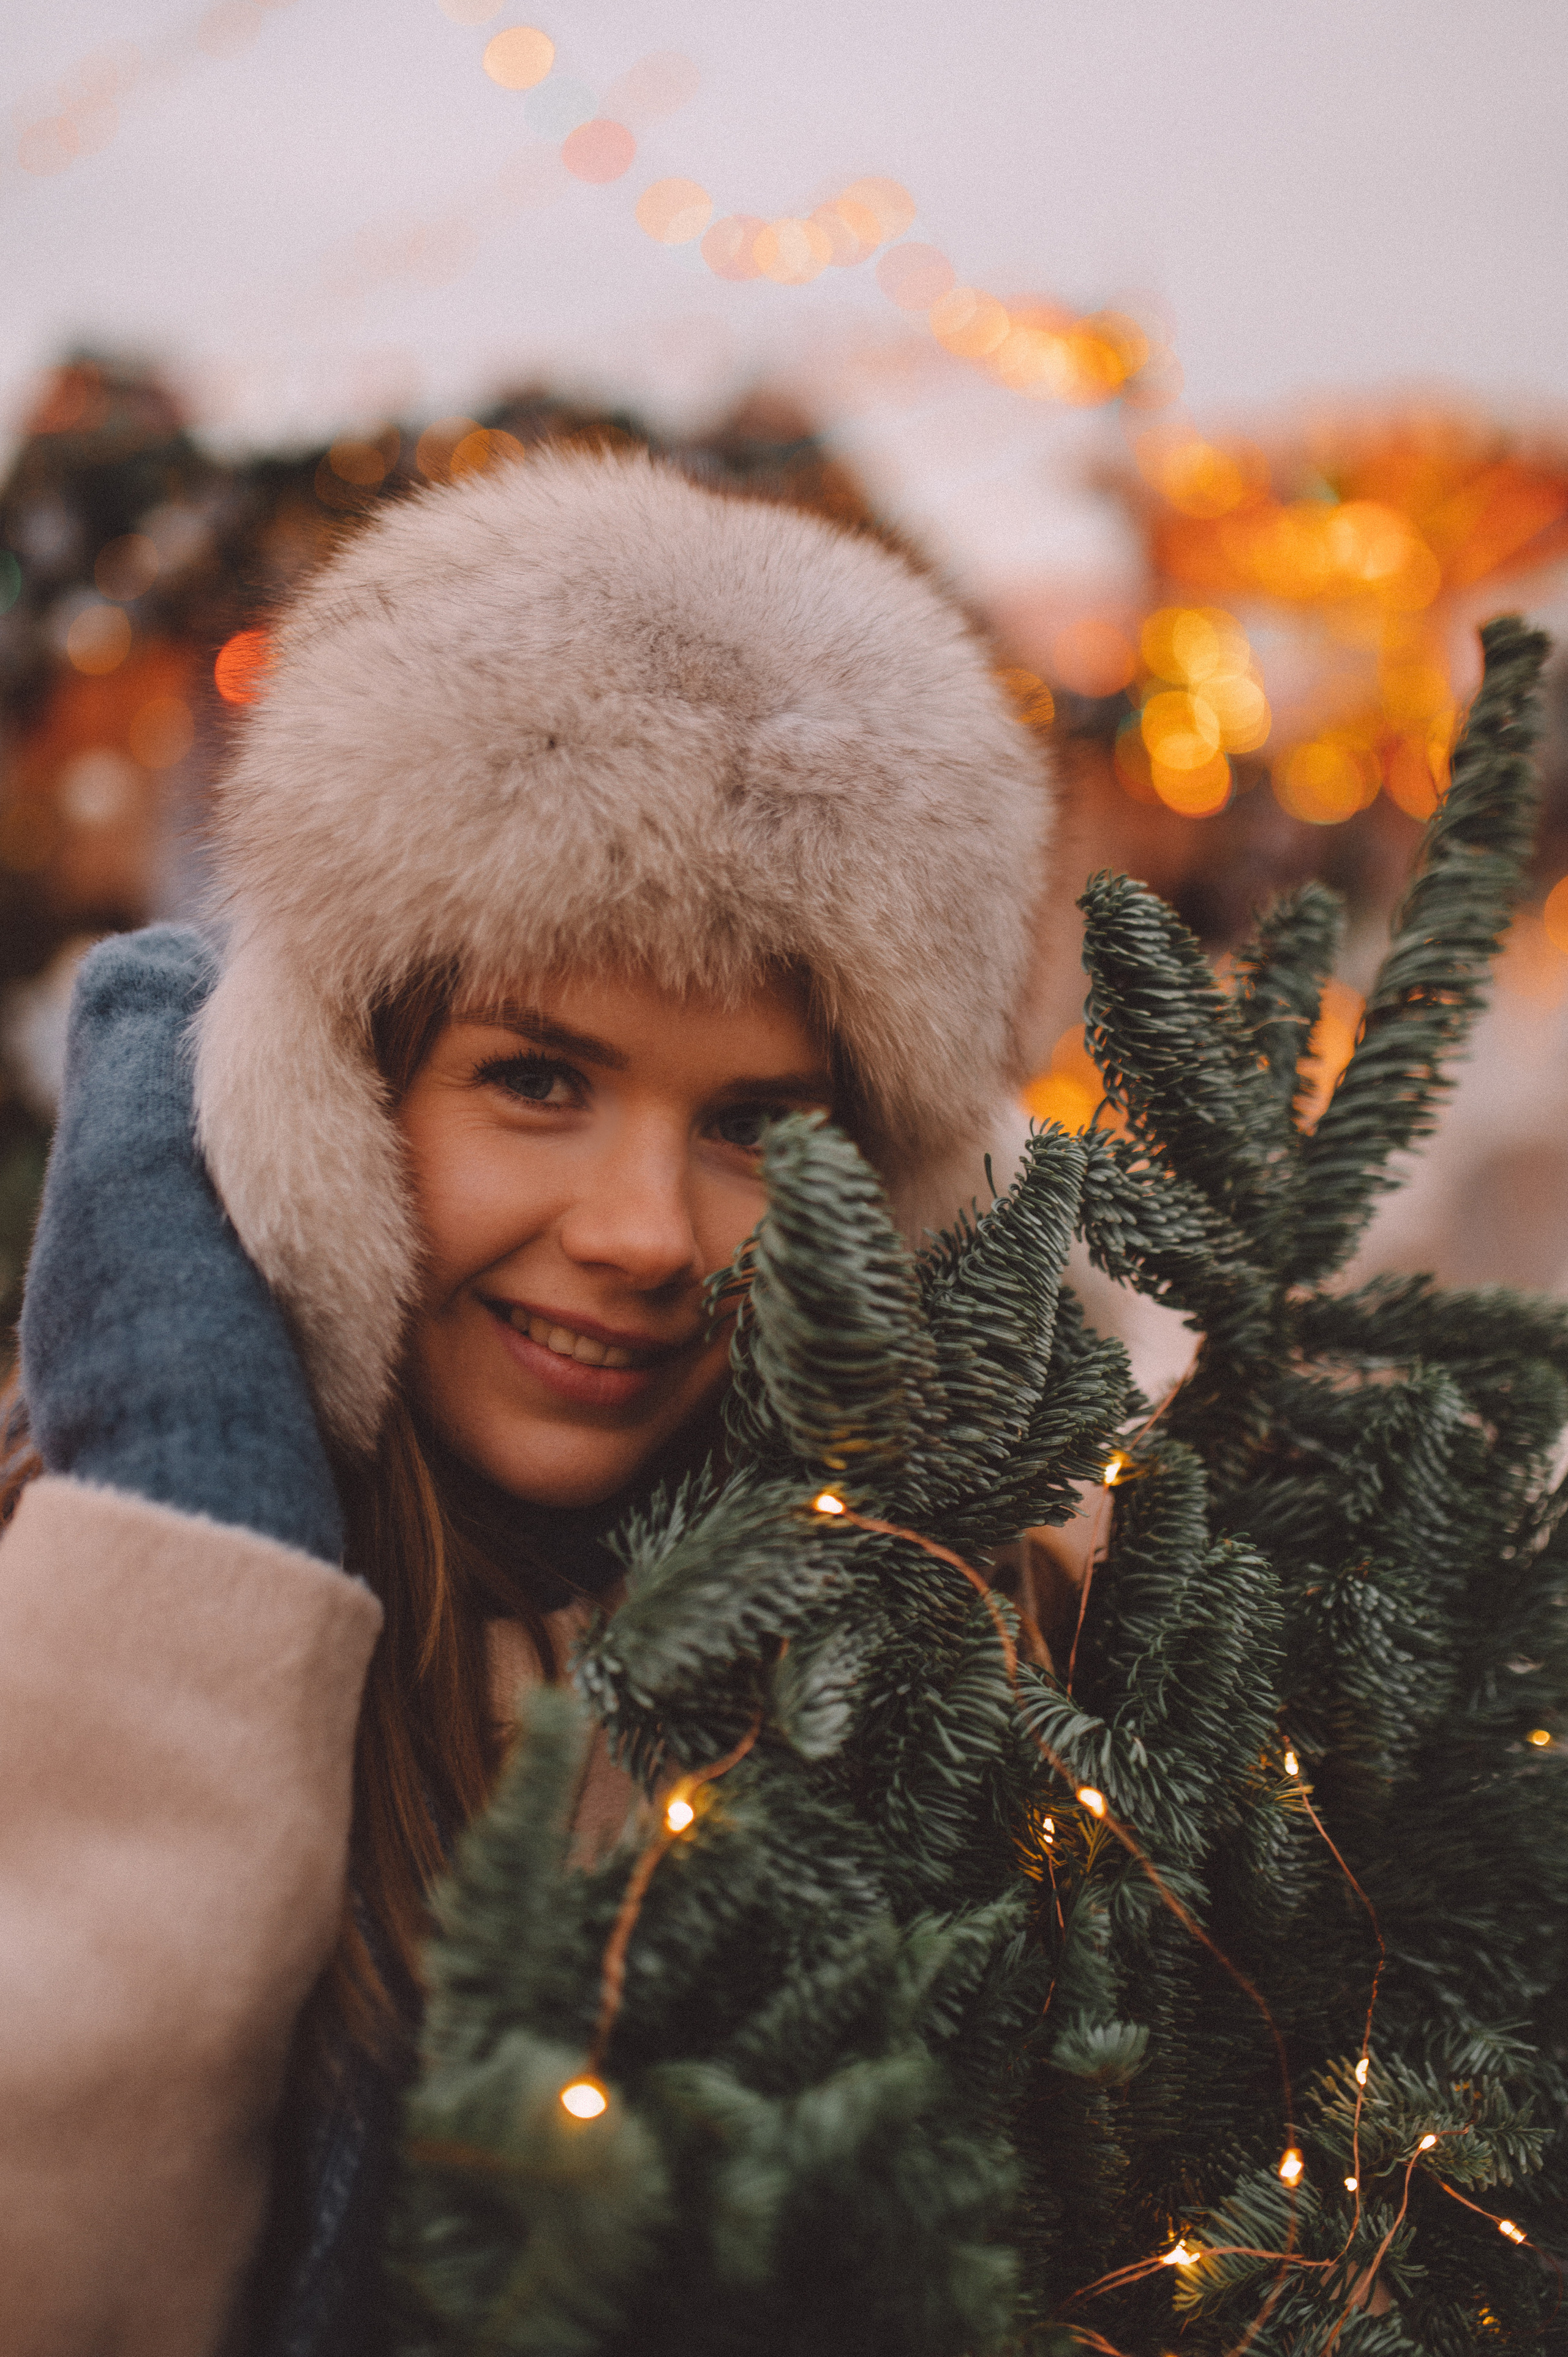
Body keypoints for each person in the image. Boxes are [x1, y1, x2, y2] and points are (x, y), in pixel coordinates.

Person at [0, 447, 1053, 2357]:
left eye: (751, 1125)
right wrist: (195, 1502)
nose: (648, 1234)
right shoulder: (48, 1591)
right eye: (539, 1081)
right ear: (332, 1099)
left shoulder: (962, 1672)